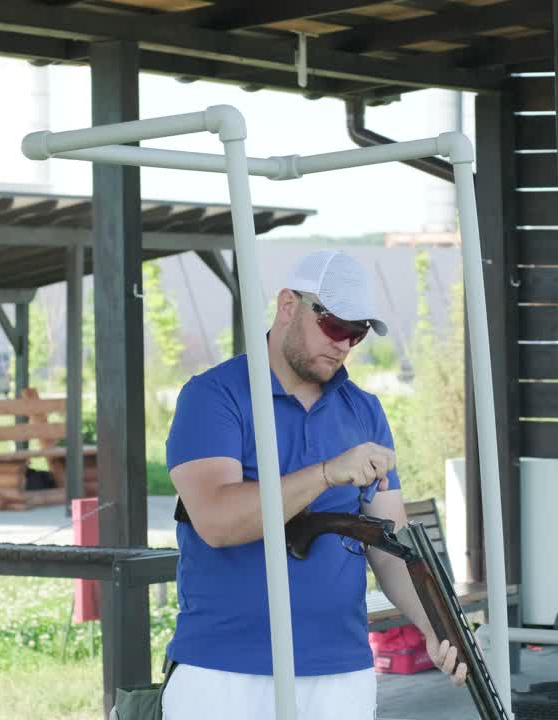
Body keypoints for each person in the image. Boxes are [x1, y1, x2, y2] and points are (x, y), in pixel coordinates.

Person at [160, 249, 468, 720]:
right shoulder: (213, 395)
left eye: (358, 332)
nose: (345, 343)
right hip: (222, 668)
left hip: (341, 670)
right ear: (288, 305)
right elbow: (218, 521)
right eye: (334, 325)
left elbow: (390, 545)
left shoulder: (365, 411)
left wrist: (436, 625)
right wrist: (328, 473)